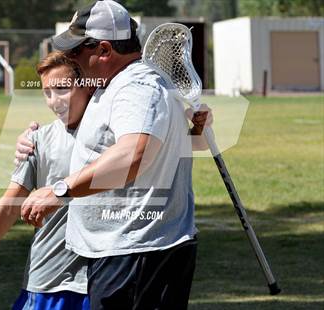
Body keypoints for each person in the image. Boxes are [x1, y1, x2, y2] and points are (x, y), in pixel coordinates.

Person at [16, 1, 212, 309]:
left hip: (136, 254)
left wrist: (60, 191)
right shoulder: (113, 85)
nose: (70, 58)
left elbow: (133, 155)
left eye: (76, 51)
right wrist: (33, 140)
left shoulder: (138, 87)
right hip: (126, 252)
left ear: (104, 50)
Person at [0, 51, 93, 310]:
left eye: (62, 89)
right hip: (49, 278)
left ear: (88, 84)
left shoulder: (118, 134)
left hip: (101, 279)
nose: (54, 101)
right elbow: (10, 205)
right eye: (47, 93)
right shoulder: (37, 140)